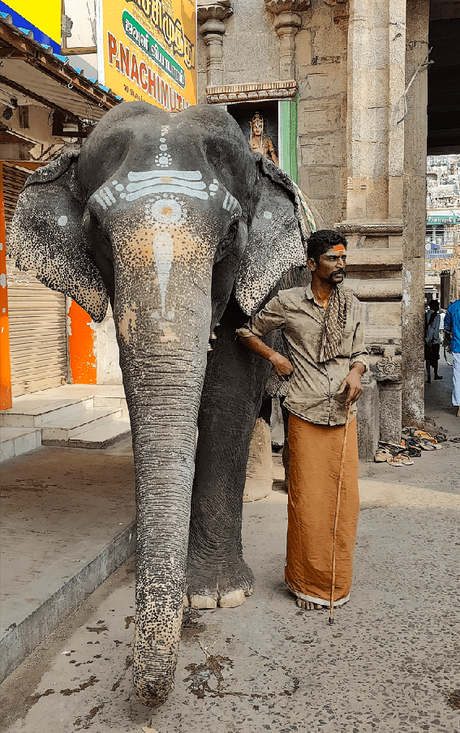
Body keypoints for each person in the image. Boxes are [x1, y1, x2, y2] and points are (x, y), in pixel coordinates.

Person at [237, 230, 368, 610]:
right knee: (308, 502)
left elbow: (360, 352)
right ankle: (305, 583)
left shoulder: (354, 305)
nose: (340, 265)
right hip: (304, 411)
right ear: (312, 264)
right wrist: (274, 358)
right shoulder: (288, 302)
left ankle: (336, 584)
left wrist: (356, 373)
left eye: (343, 258)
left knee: (344, 503)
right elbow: (247, 331)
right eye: (332, 258)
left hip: (343, 416)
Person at [444, 297, 460, 417]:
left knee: (457, 377)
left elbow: (447, 328)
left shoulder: (453, 307)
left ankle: (459, 407)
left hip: (457, 347)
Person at [424, 299, 443, 383]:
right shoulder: (437, 316)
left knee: (427, 359)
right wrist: (434, 339)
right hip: (434, 341)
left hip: (426, 341)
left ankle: (428, 377)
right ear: (435, 306)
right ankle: (435, 374)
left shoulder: (425, 315)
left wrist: (427, 339)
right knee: (435, 358)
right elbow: (436, 330)